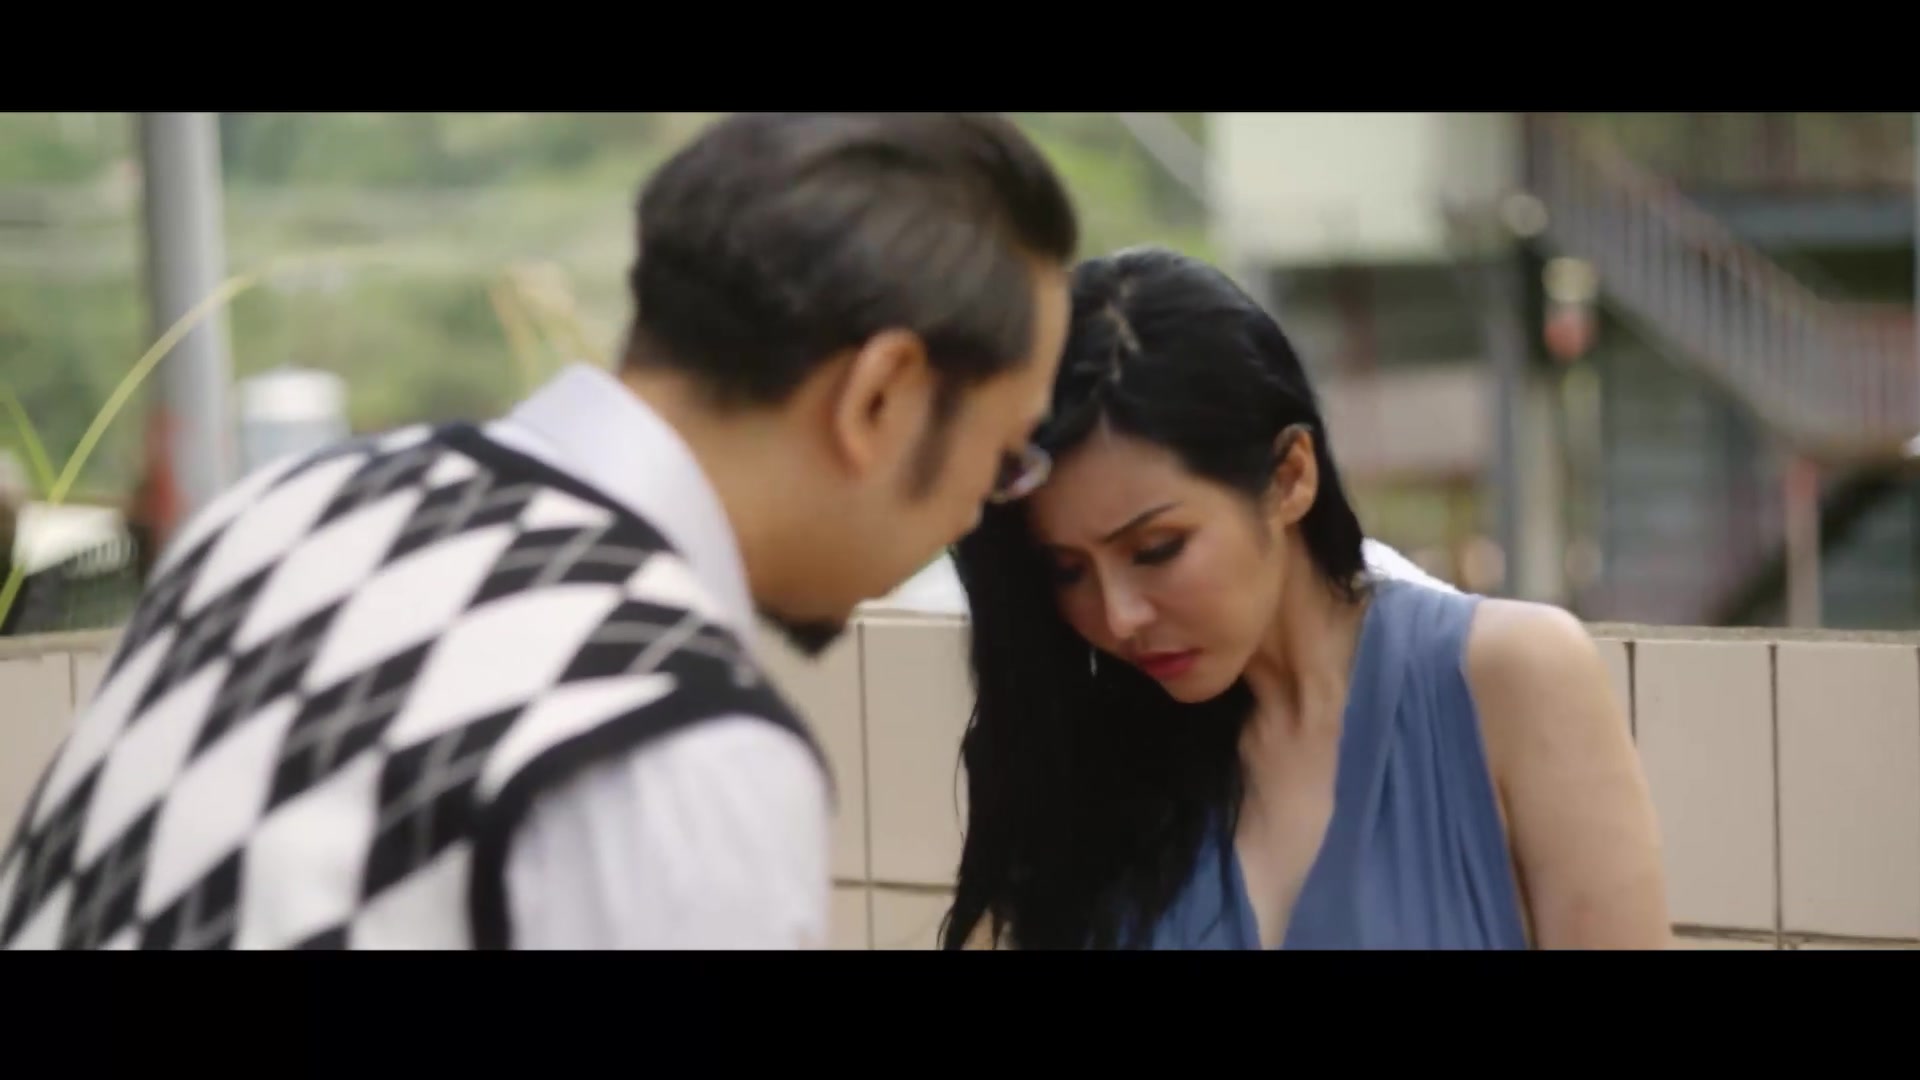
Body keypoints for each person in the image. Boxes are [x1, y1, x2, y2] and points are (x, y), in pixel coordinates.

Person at [0, 112, 1078, 950]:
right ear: (881, 395)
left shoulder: (282, 514)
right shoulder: (671, 741)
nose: (977, 513)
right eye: (1002, 456)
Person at [940, 246, 1669, 950]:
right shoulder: (1083, 755)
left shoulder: (1511, 678)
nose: (1119, 615)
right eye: (1068, 570)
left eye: (1157, 549)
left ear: (1290, 477)